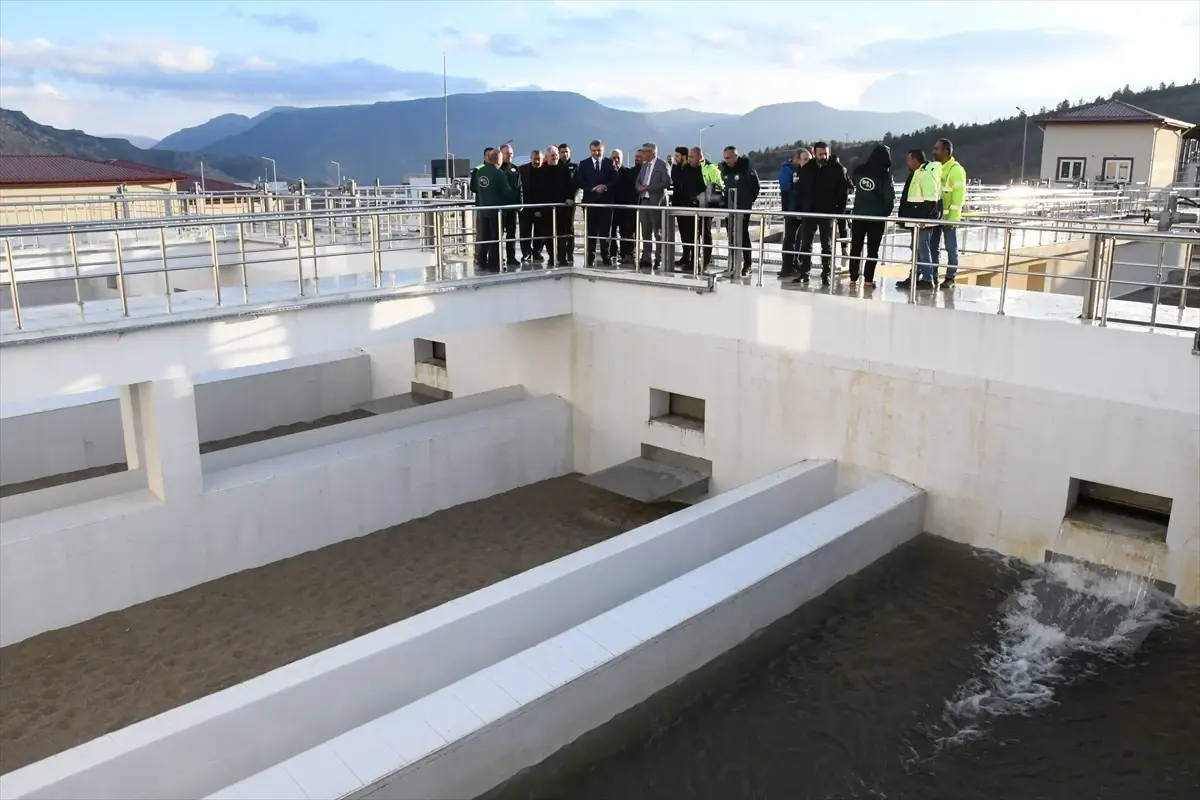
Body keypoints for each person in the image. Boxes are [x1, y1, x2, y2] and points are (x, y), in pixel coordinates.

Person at [792, 141, 849, 286]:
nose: (823, 156)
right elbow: (800, 189)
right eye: (820, 154)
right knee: (806, 243)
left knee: (826, 245)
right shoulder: (807, 168)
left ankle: (826, 274)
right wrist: (798, 208)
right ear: (814, 153)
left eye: (825, 154)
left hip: (827, 211)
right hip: (809, 211)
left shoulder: (836, 168)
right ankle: (804, 273)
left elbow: (843, 190)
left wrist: (839, 210)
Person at [848, 144, 895, 288]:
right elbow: (889, 199)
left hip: (858, 216)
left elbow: (852, 183)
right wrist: (884, 214)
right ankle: (868, 280)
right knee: (872, 250)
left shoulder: (860, 171)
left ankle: (853, 278)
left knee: (855, 247)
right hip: (876, 218)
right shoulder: (885, 176)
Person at [896, 149, 942, 290]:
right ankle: (914, 276)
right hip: (916, 219)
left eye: (909, 160)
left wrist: (923, 219)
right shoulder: (918, 173)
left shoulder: (926, 174)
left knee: (922, 248)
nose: (908, 163)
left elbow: (930, 199)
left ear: (915, 160)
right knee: (916, 248)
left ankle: (927, 279)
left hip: (922, 220)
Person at [473, 148, 517, 273]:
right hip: (496, 212)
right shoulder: (500, 174)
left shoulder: (479, 172)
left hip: (483, 210)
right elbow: (507, 192)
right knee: (495, 239)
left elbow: (474, 187)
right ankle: (493, 264)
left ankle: (481, 262)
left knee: (485, 238)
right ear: (499, 159)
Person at [575, 139, 619, 266]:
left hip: (606, 203)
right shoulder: (584, 164)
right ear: (590, 150)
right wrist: (591, 188)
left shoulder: (610, 163)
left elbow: (616, 180)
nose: (596, 153)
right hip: (590, 203)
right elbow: (579, 181)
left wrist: (605, 186)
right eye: (594, 150)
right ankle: (590, 256)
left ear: (603, 149)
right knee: (590, 231)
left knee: (606, 232)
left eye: (599, 150)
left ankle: (606, 256)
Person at [719, 145, 761, 278]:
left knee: (743, 234)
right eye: (725, 158)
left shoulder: (746, 167)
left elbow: (756, 187)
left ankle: (747, 265)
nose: (727, 160)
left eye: (729, 158)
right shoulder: (724, 168)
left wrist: (748, 202)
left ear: (736, 156)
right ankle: (732, 264)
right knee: (730, 235)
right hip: (729, 207)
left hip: (743, 207)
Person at [931, 138, 966, 289]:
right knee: (933, 247)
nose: (934, 152)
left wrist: (951, 219)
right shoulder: (936, 168)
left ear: (946, 151)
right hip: (936, 216)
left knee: (951, 249)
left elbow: (958, 197)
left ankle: (950, 277)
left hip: (948, 218)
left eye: (936, 149)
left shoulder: (956, 170)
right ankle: (932, 276)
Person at [532, 145, 575, 266]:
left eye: (556, 155)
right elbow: (536, 191)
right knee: (548, 235)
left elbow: (570, 187)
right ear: (547, 156)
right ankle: (552, 256)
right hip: (546, 209)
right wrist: (537, 209)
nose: (555, 157)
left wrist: (570, 198)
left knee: (562, 234)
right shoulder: (540, 171)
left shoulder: (564, 170)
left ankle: (562, 257)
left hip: (561, 209)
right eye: (552, 155)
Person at [636, 141, 672, 269]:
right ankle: (646, 257)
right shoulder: (644, 165)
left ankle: (659, 258)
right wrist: (639, 187)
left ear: (651, 152)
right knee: (645, 232)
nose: (642, 154)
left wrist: (649, 188)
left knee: (658, 232)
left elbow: (667, 182)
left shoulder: (662, 165)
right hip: (644, 201)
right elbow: (638, 180)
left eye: (644, 151)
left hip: (656, 202)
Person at [778, 148, 810, 278]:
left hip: (805, 208)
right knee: (790, 237)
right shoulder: (787, 170)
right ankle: (787, 266)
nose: (808, 162)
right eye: (805, 159)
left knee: (802, 238)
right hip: (791, 208)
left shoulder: (807, 170)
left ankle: (797, 263)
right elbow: (785, 187)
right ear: (797, 159)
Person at [609, 148, 638, 264]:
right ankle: (612, 253)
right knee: (610, 233)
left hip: (625, 209)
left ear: (622, 159)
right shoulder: (607, 174)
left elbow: (632, 192)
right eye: (613, 158)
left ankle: (627, 255)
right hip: (610, 208)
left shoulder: (628, 173)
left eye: (618, 158)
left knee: (626, 233)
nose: (616, 160)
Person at [469, 147, 496, 267]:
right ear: (484, 156)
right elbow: (473, 187)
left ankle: (493, 257)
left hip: (494, 208)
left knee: (494, 233)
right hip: (482, 206)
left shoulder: (496, 169)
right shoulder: (479, 169)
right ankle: (479, 257)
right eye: (488, 155)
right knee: (482, 233)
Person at [517, 150, 544, 263]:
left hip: (540, 207)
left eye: (539, 159)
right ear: (530, 158)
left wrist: (540, 209)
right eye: (535, 159)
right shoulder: (521, 170)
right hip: (525, 207)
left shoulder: (545, 170)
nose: (536, 161)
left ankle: (537, 252)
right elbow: (518, 187)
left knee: (539, 231)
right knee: (524, 231)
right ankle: (526, 253)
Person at [498, 144, 521, 268]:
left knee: (511, 234)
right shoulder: (497, 168)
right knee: (498, 234)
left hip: (512, 208)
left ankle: (511, 257)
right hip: (500, 208)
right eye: (507, 153)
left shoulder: (515, 169)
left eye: (511, 153)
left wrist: (520, 203)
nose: (509, 156)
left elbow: (519, 187)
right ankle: (498, 257)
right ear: (501, 154)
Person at [557, 143, 578, 259]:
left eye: (566, 152)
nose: (564, 154)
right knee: (559, 228)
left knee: (569, 227)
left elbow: (577, 183)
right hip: (558, 202)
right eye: (562, 152)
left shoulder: (575, 167)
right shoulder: (556, 166)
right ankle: (560, 252)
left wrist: (571, 197)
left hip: (570, 202)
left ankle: (570, 252)